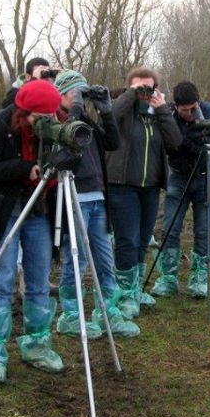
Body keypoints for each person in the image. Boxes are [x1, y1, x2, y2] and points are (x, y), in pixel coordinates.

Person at [0, 79, 66, 384]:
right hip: (5, 213)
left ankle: (37, 344)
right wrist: (25, 169)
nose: (43, 123)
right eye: (38, 118)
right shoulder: (1, 123)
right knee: (2, 280)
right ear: (23, 112)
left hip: (39, 213)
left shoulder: (57, 125)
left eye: (49, 117)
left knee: (38, 280)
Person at [52, 70, 139, 338]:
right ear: (61, 95)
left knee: (104, 257)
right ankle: (70, 315)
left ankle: (107, 310)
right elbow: (64, 149)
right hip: (72, 196)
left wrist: (106, 111)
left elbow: (112, 142)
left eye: (80, 92)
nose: (77, 97)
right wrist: (76, 109)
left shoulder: (85, 120)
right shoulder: (52, 122)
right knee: (75, 261)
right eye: (72, 93)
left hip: (98, 196)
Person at [105, 67, 182, 318]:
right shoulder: (121, 110)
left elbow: (175, 142)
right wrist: (131, 95)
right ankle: (125, 295)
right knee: (126, 240)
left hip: (150, 186)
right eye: (139, 87)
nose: (144, 92)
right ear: (129, 87)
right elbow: (109, 117)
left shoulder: (157, 114)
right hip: (122, 184)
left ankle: (135, 289)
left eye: (149, 87)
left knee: (142, 239)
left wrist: (161, 109)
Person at [152, 81, 210, 299]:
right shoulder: (166, 114)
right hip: (178, 177)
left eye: (192, 108)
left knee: (203, 230)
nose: (189, 114)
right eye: (184, 110)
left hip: (207, 177)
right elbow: (167, 145)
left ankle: (199, 277)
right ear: (176, 106)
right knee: (169, 226)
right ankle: (168, 278)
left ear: (198, 102)